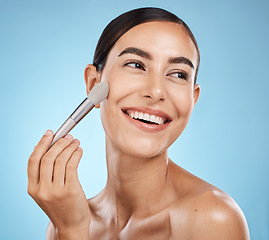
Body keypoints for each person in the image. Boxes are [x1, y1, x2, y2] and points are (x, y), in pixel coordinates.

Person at [27, 7, 250, 240]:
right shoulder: (66, 219)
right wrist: (71, 229)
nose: (156, 91)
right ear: (94, 83)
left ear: (193, 99)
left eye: (178, 74)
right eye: (136, 65)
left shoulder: (212, 219)